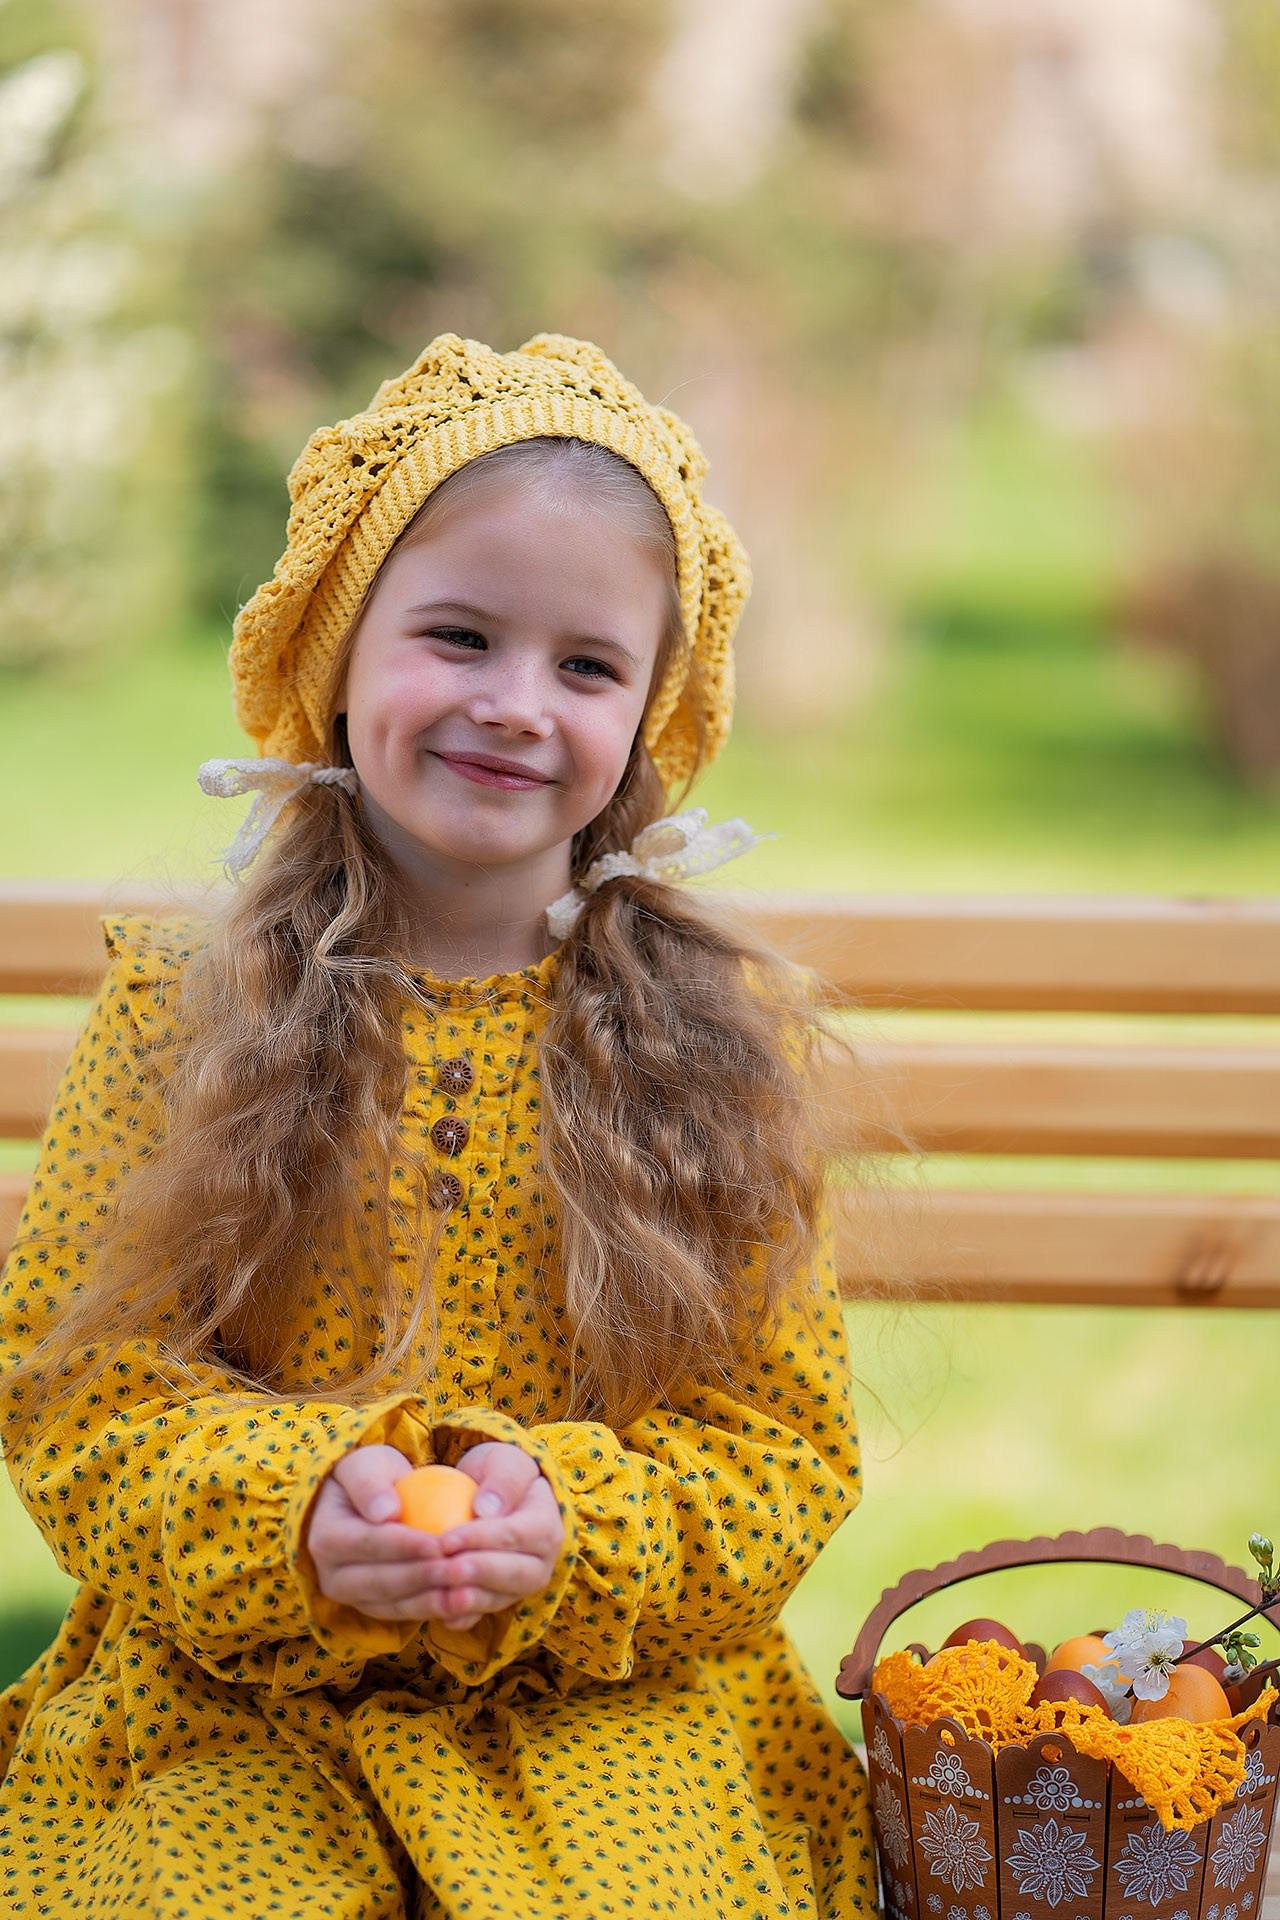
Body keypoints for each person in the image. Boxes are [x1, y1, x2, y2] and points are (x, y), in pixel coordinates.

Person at [0, 333, 876, 1918]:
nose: (514, 706)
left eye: (587, 666)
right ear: (341, 650)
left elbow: (782, 1450)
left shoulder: (702, 1051)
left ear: (648, 714)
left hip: (601, 1712)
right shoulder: (188, 1012)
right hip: (243, 1705)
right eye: (459, 635)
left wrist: (575, 1530)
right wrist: (296, 1514)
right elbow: (81, 1395)